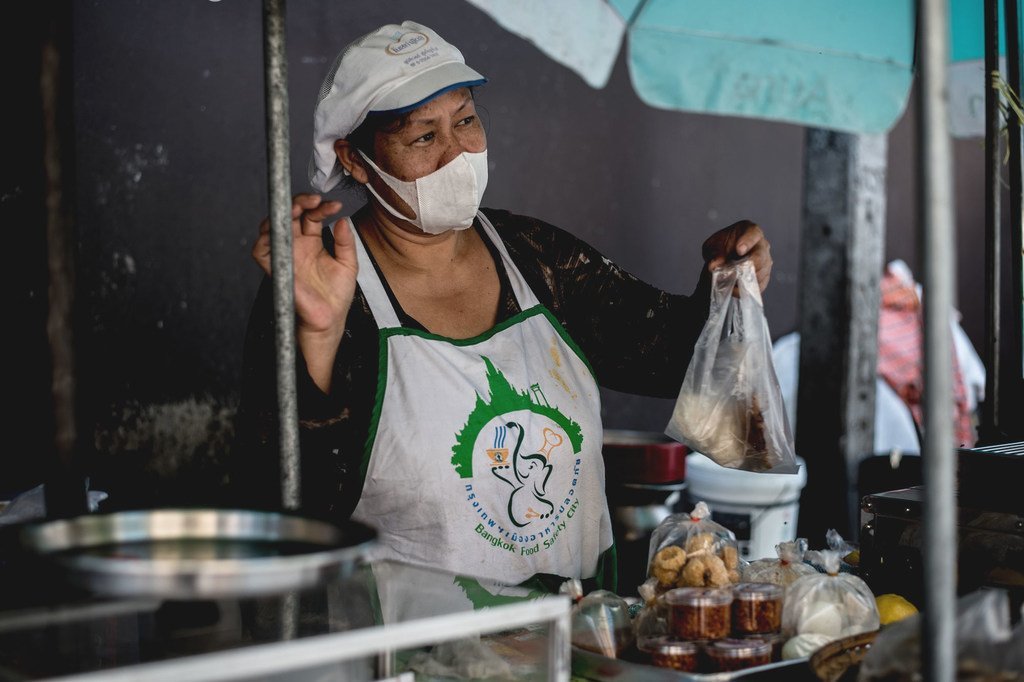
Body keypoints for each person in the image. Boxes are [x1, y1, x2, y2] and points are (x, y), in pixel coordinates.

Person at [232, 20, 773, 593]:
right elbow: (281, 505)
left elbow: (671, 358)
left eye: (465, 120)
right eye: (422, 137)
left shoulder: (533, 255)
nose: (456, 153)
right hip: (411, 656)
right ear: (357, 160)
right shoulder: (322, 283)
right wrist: (316, 337)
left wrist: (725, 289)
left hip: (572, 641)